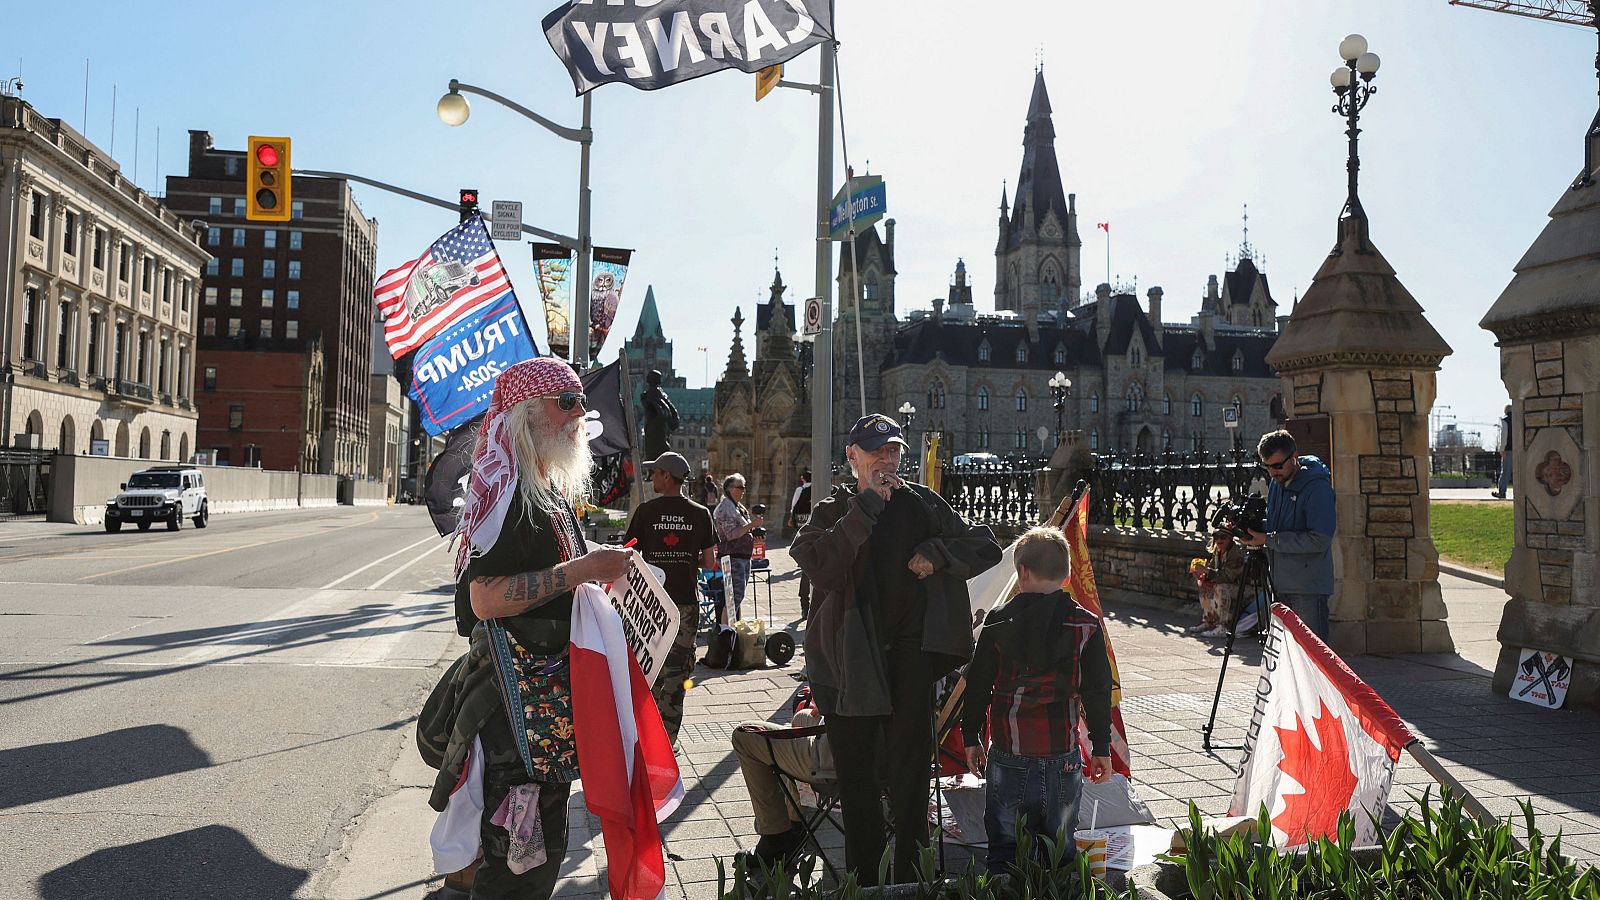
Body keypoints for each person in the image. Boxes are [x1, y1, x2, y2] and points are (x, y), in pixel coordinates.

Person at [421, 357, 634, 899]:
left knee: (529, 854)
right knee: (521, 864)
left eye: (579, 400)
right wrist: (584, 571)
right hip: (517, 721)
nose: (579, 413)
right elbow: (485, 598)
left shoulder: (540, 487)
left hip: (541, 714)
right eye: (565, 401)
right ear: (526, 414)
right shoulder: (513, 496)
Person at [792, 413, 1002, 885]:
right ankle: (865, 879)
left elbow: (984, 546)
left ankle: (911, 876)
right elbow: (817, 565)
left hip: (910, 657)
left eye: (893, 451)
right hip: (847, 663)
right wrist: (865, 508)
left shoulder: (923, 503)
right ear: (852, 457)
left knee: (910, 778)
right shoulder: (835, 508)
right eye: (875, 452)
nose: (886, 460)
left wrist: (938, 554)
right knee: (857, 779)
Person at [961, 527, 1113, 875]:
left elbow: (978, 685)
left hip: (1008, 750)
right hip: (1061, 753)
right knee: (1059, 847)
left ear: (1022, 572)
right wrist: (1101, 746)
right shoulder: (1085, 625)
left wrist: (971, 736)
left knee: (1004, 847)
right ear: (1068, 574)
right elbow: (1096, 690)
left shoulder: (997, 621)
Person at [624, 451, 718, 744]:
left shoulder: (645, 512)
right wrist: (686, 561)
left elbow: (628, 556)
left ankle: (643, 737)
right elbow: (711, 562)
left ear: (667, 476)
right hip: (685, 605)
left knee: (645, 670)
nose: (652, 477)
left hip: (650, 604)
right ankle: (667, 740)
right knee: (677, 674)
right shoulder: (700, 513)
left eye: (655, 473)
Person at [1242, 429, 1335, 641]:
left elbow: (1319, 539)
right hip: (1278, 583)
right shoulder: (1277, 484)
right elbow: (1278, 528)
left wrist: (1268, 539)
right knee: (1285, 657)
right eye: (1267, 466)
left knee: (1312, 656)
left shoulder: (1317, 488)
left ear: (1294, 457)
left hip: (1308, 589)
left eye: (1277, 465)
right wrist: (1253, 529)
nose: (1273, 472)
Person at [729, 695, 835, 872]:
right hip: (882, 753)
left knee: (743, 735)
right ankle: (795, 826)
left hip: (839, 757)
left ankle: (775, 836)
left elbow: (831, 696)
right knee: (802, 717)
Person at [712, 473, 763, 623]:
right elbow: (731, 534)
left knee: (735, 598)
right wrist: (752, 525)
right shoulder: (726, 507)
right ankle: (726, 632)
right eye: (740, 487)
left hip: (741, 558)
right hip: (733, 558)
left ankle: (730, 630)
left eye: (744, 487)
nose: (743, 491)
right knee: (733, 598)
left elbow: (743, 531)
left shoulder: (736, 507)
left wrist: (755, 533)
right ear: (729, 489)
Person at [1188, 528, 1245, 638]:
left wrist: (1206, 571)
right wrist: (1204, 577)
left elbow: (1229, 577)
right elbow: (1212, 571)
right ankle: (1209, 620)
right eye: (1216, 537)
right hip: (1227, 584)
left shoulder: (1235, 553)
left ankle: (1224, 626)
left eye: (1223, 537)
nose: (1219, 540)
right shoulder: (1218, 552)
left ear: (1230, 538)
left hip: (1242, 588)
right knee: (1202, 584)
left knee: (1221, 587)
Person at [787, 470, 814, 620]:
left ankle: (805, 605)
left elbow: (794, 505)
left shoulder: (801, 490)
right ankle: (806, 605)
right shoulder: (820, 488)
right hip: (817, 528)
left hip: (803, 525)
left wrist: (792, 518)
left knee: (806, 568)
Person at [640, 369, 680, 460]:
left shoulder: (652, 395)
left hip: (657, 430)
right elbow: (670, 411)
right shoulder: (654, 395)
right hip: (656, 430)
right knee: (657, 455)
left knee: (656, 455)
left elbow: (667, 411)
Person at [1493, 404, 1513, 499]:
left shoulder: (1505, 421)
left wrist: (1502, 449)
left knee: (1505, 471)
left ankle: (1502, 492)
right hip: (1518, 449)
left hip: (1508, 449)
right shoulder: (1518, 419)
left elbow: (1504, 436)